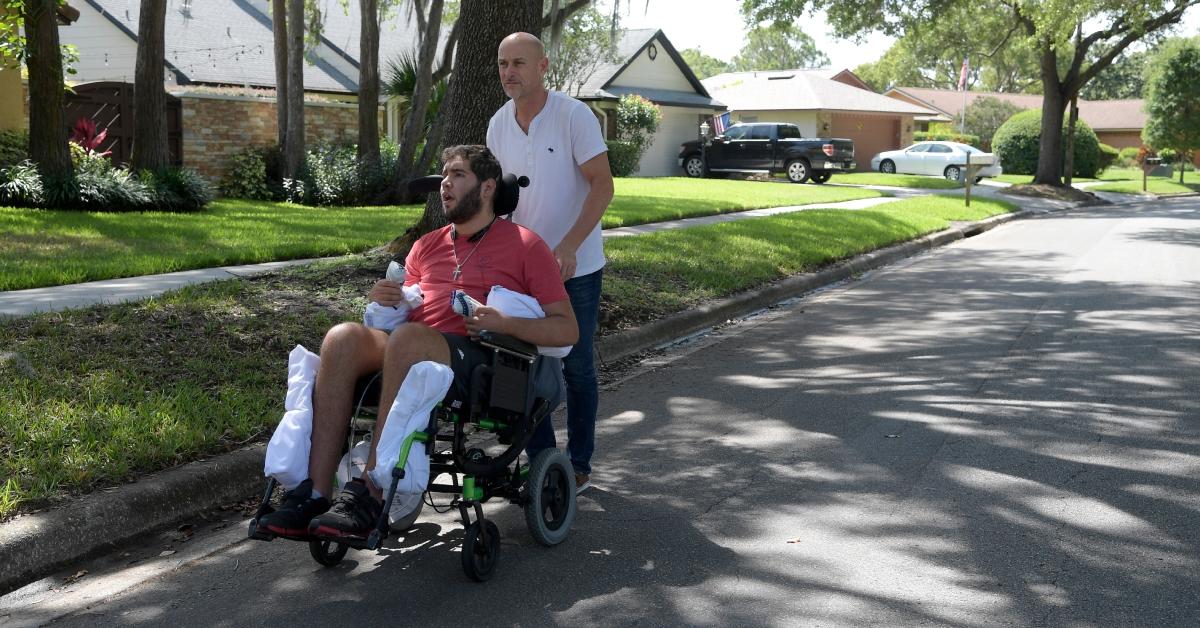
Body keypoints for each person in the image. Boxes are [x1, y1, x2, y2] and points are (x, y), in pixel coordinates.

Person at [258, 145, 578, 539]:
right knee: (341, 337)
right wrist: (388, 301)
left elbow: (567, 330)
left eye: (458, 175)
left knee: (409, 339)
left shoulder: (526, 245)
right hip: (412, 345)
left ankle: (371, 493)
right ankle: (315, 492)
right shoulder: (426, 245)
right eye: (444, 175)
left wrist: (506, 322)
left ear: (488, 187)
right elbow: (408, 310)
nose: (445, 183)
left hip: (481, 360)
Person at [487, 31, 614, 493]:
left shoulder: (573, 116)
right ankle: (544, 460)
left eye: (519, 62)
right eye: (503, 64)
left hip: (574, 265)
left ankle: (578, 463)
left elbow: (602, 185)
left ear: (543, 67)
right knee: (520, 364)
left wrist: (570, 245)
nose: (508, 72)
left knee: (576, 366)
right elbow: (498, 200)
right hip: (520, 269)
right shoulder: (498, 125)